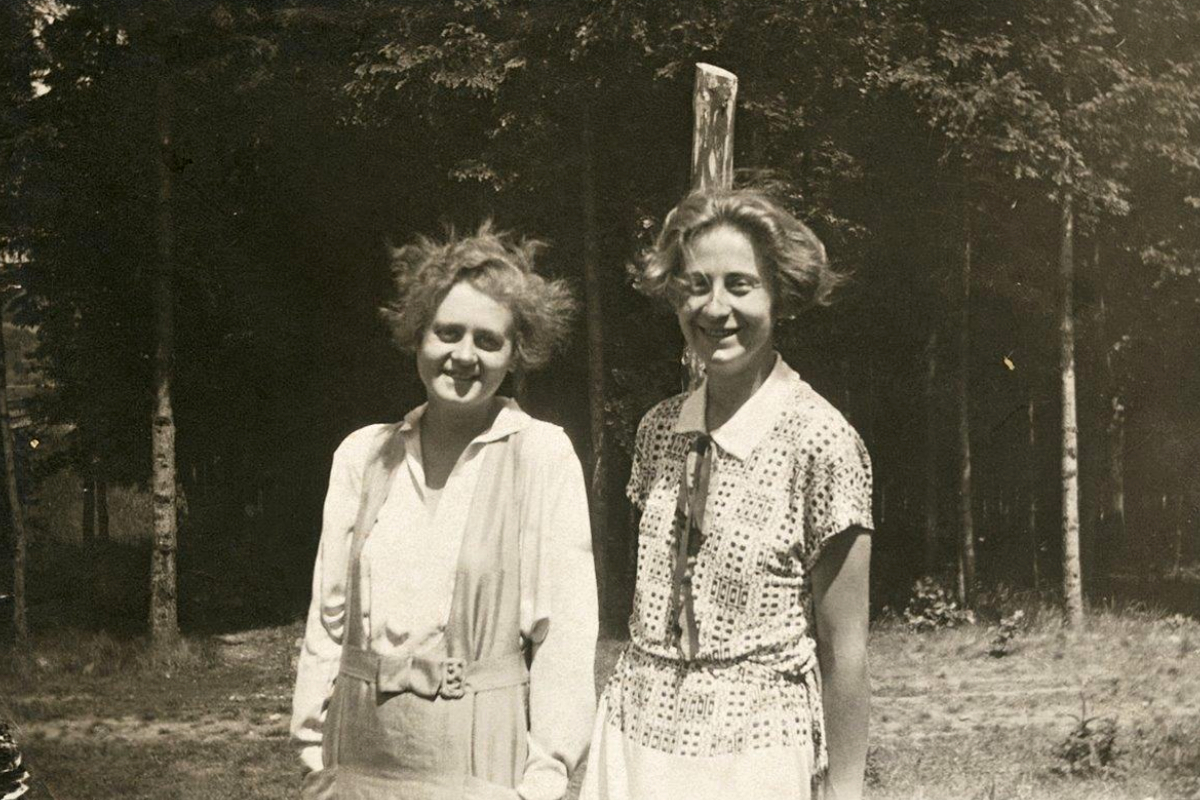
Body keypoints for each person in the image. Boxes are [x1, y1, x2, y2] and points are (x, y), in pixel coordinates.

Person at [580, 190, 874, 800]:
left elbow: (845, 651)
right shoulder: (659, 429)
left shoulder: (821, 440)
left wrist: (846, 791)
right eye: (696, 286)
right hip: (637, 740)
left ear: (779, 295)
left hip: (756, 752)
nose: (715, 308)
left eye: (740, 285)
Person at [291, 224, 598, 800]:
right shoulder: (363, 455)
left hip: (481, 760)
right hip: (357, 759)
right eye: (448, 332)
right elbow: (327, 623)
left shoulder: (540, 455)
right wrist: (314, 756)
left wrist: (544, 777)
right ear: (418, 335)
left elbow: (565, 635)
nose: (463, 356)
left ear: (515, 353)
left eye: (488, 340)